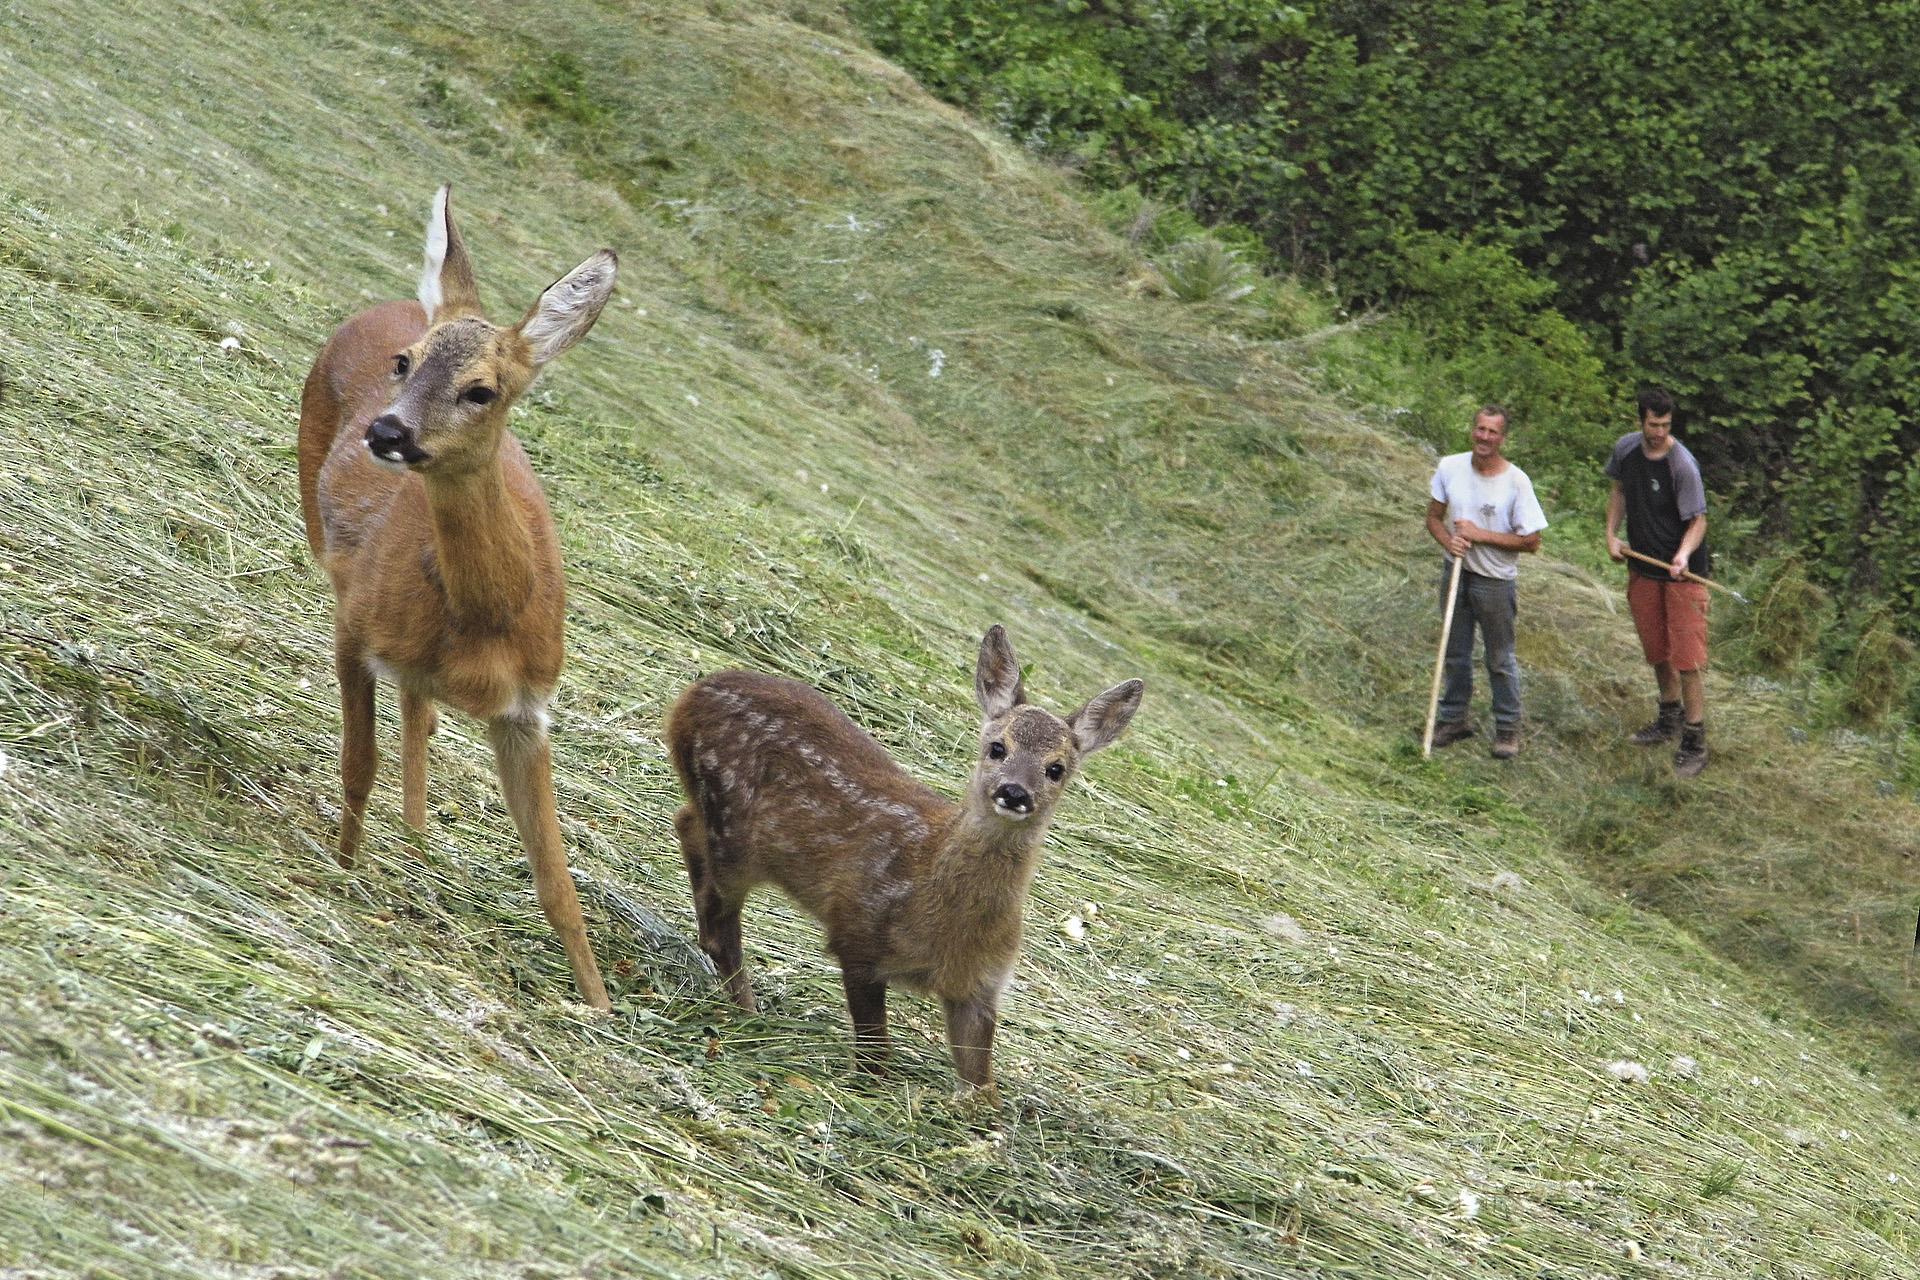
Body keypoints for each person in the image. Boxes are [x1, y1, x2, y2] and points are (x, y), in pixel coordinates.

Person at [1425, 405, 1548, 758]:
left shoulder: (1516, 482)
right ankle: (1453, 720)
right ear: (1473, 431)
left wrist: (1480, 535)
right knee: (1455, 651)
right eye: (1480, 429)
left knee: (1499, 658)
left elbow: (1532, 542)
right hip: (1457, 572)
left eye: (1492, 432)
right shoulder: (1450, 467)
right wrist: (1449, 542)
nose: (1484, 437)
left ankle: (1507, 729)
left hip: (1495, 581)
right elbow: (1434, 517)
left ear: (1502, 438)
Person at [1605, 387, 1710, 778]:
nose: (1659, 432)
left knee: (1688, 658)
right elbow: (1617, 492)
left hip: (1683, 575)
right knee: (1657, 649)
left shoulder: (1682, 464)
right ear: (1641, 420)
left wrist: (1682, 555)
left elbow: (1699, 520)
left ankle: (1695, 740)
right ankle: (1669, 719)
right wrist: (1611, 535)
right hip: (1644, 568)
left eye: (1665, 425)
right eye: (1653, 424)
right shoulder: (1626, 451)